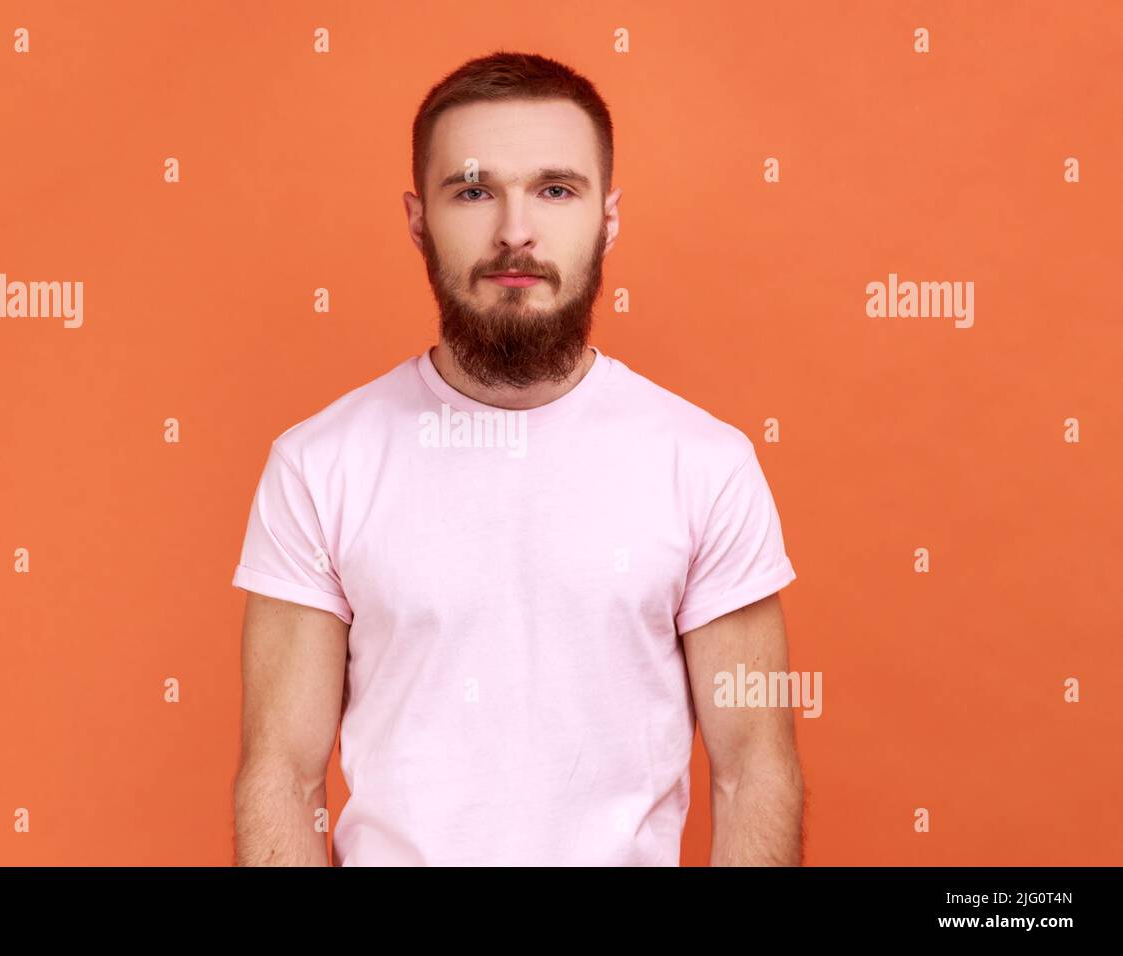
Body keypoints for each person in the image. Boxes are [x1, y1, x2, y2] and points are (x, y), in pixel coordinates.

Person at [232, 51, 803, 866]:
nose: (514, 230)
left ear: (608, 217)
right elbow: (281, 777)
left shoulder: (706, 463)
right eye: (472, 190)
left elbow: (755, 771)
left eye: (555, 189)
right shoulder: (318, 466)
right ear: (417, 218)